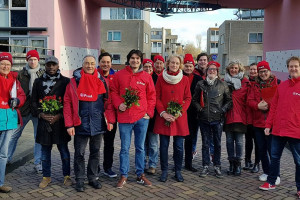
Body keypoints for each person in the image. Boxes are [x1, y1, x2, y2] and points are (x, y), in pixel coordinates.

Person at [63, 55, 114, 192]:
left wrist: (110, 120)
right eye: (87, 63)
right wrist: (69, 124)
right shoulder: (74, 82)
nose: (90, 66)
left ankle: (93, 178)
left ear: (95, 64)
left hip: (98, 123)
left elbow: (107, 103)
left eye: (92, 63)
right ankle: (79, 179)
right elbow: (67, 103)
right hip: (80, 123)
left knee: (95, 152)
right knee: (79, 153)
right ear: (83, 65)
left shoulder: (102, 81)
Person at [110, 49, 156, 188]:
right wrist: (119, 104)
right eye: (132, 58)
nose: (135, 61)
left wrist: (149, 112)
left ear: (141, 61)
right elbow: (113, 91)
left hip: (142, 118)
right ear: (128, 60)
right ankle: (124, 175)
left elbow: (152, 96)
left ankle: (140, 174)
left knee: (140, 148)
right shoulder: (119, 75)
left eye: (137, 58)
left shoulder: (146, 77)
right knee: (124, 148)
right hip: (125, 118)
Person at [258, 57, 300, 199]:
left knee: (298, 161)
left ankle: (299, 188)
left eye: (296, 66)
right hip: (279, 130)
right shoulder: (281, 86)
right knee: (275, 157)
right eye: (291, 66)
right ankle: (271, 182)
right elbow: (273, 107)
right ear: (287, 68)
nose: (293, 69)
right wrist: (268, 125)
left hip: (296, 131)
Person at [31, 56, 72, 188]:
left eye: (53, 64)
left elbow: (68, 102)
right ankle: (46, 177)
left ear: (58, 65)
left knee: (64, 152)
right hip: (44, 123)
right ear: (45, 66)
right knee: (45, 153)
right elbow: (33, 101)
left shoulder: (66, 81)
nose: (51, 67)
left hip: (60, 122)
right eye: (48, 64)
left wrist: (60, 115)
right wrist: (41, 114)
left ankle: (67, 176)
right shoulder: (38, 82)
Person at [154, 55, 191, 182]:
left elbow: (188, 98)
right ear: (168, 63)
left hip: (178, 118)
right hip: (164, 116)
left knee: (179, 146)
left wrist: (179, 112)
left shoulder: (185, 79)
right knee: (164, 145)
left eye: (177, 63)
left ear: (179, 65)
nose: (174, 65)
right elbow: (156, 97)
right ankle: (164, 170)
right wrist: (163, 113)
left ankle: (178, 170)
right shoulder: (160, 78)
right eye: (172, 63)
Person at [192, 61, 232, 178]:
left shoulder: (222, 85)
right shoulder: (200, 84)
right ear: (206, 71)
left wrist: (223, 110)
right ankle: (205, 165)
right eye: (210, 69)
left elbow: (229, 100)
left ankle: (217, 165)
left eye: (214, 69)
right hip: (204, 118)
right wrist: (200, 109)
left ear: (217, 72)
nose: (212, 71)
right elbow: (194, 100)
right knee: (205, 143)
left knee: (217, 143)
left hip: (217, 119)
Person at [8, 50, 44, 173]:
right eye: (30, 59)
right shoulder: (20, 74)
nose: (33, 62)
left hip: (37, 111)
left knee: (38, 138)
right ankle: (7, 158)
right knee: (14, 135)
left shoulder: (42, 74)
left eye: (35, 59)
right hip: (22, 110)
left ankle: (38, 162)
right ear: (27, 60)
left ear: (38, 60)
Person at [247, 60, 280, 185]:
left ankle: (276, 174)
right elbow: (249, 101)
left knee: (273, 151)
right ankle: (266, 172)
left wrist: (269, 105)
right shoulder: (254, 85)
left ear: (269, 71)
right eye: (260, 72)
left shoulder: (277, 83)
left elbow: (280, 102)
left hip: (272, 123)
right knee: (261, 149)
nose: (262, 74)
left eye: (264, 71)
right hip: (258, 123)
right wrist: (257, 106)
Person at [0, 52, 25, 193]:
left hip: (9, 119)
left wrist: (18, 101)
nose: (5, 66)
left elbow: (22, 95)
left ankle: (0, 182)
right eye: (3, 63)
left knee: (3, 154)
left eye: (8, 64)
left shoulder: (15, 80)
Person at [224, 60, 250, 176]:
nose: (233, 70)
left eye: (236, 68)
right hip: (228, 116)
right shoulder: (224, 82)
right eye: (232, 68)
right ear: (228, 70)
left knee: (239, 142)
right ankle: (231, 163)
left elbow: (248, 101)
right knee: (229, 141)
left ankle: (238, 164)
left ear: (239, 69)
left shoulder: (245, 83)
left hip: (240, 116)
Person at [97, 52, 117, 178]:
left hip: (111, 115)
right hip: (97, 114)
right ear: (99, 63)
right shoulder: (94, 75)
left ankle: (107, 167)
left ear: (111, 63)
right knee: (96, 143)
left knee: (109, 143)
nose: (105, 64)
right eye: (103, 62)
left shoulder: (116, 76)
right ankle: (95, 168)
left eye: (108, 62)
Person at [182, 54, 202, 172]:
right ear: (183, 66)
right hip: (181, 111)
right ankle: (178, 161)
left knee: (191, 138)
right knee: (179, 139)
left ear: (193, 66)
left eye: (190, 66)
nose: (188, 68)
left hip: (194, 113)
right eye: (186, 66)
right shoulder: (179, 77)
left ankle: (188, 163)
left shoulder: (198, 79)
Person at [142, 58, 159, 175]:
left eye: (150, 67)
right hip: (141, 115)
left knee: (153, 143)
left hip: (153, 116)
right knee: (142, 143)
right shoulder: (139, 77)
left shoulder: (157, 79)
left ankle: (152, 164)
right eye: (145, 67)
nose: (148, 69)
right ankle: (141, 164)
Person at [244, 63, 260, 173]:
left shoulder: (260, 84)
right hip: (247, 117)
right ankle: (247, 160)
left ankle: (257, 163)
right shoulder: (246, 82)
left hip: (257, 117)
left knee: (258, 142)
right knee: (248, 141)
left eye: (255, 69)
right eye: (251, 69)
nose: (253, 71)